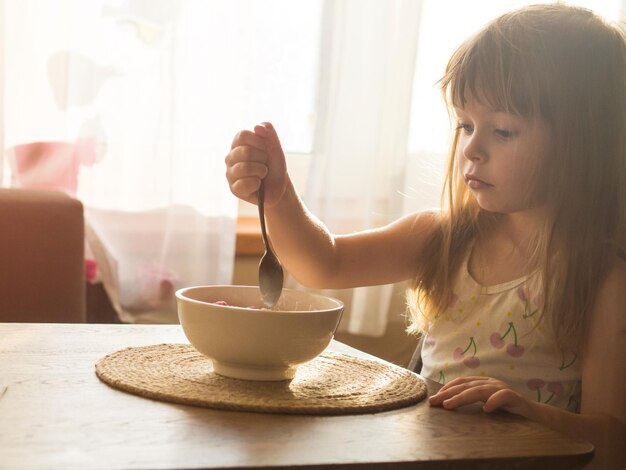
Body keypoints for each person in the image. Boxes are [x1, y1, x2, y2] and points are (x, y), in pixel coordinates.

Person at [225, 4, 625, 468]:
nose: (472, 149)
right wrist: (278, 199)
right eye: (465, 125)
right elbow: (324, 263)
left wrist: (533, 417)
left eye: (503, 131)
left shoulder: (603, 281)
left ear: (585, 144)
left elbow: (613, 441)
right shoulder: (442, 237)